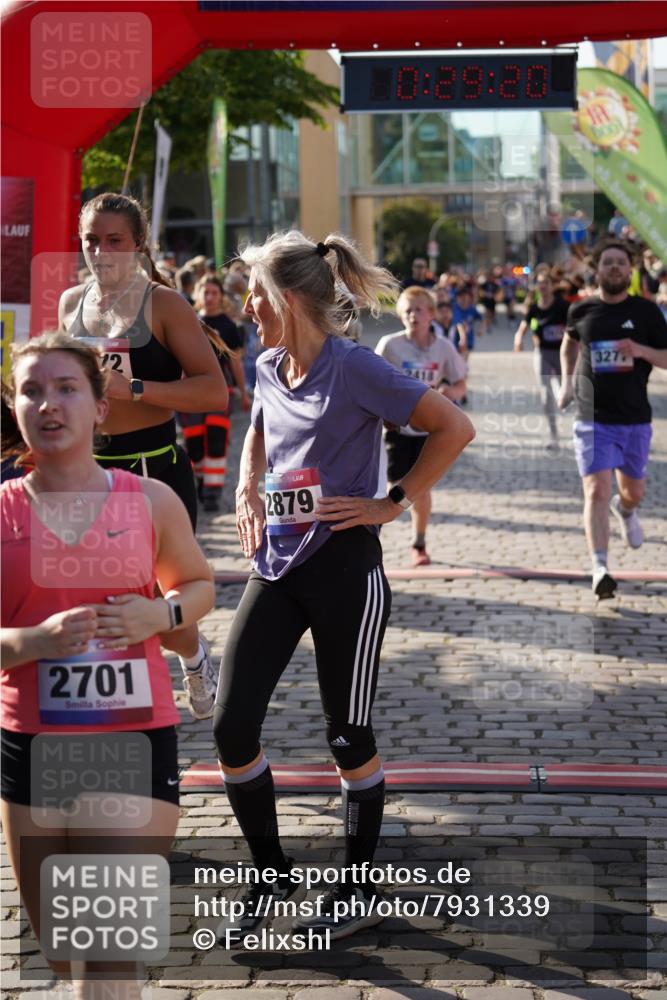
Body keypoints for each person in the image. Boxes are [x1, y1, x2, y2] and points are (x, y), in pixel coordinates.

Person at [213, 231, 474, 943]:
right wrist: (245, 486)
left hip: (345, 571)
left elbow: (452, 426)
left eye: (256, 296)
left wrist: (392, 502)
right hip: (277, 565)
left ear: (289, 300)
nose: (247, 308)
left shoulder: (355, 367)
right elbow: (259, 429)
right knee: (231, 727)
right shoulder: (269, 364)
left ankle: (357, 888)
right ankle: (271, 874)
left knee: (346, 736)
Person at [0, 333, 215, 999]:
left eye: (67, 388)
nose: (49, 404)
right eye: (32, 391)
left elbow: (198, 586)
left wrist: (161, 614)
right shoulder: (2, 511)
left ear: (100, 407)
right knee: (64, 951)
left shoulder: (150, 500)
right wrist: (32, 641)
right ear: (15, 407)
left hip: (129, 740)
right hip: (30, 743)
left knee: (105, 952)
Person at [58, 192, 227, 719]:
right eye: (91, 241)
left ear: (137, 245)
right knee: (96, 599)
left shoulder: (164, 304)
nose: (101, 252)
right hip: (90, 471)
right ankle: (117, 702)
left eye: (114, 241)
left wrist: (131, 388)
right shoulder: (70, 303)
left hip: (154, 469)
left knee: (164, 610)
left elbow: (213, 391)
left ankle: (195, 658)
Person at [558, 239, 667, 599]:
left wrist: (641, 350)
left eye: (621, 262)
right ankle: (600, 567)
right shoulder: (581, 310)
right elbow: (569, 343)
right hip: (591, 416)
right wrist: (567, 383)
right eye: (608, 262)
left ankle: (627, 510)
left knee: (633, 492)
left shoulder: (647, 312)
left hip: (635, 418)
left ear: (630, 269)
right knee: (596, 490)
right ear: (597, 269)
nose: (615, 267)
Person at [376, 286, 468, 566]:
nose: (413, 315)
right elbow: (371, 383)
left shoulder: (443, 347)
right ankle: (373, 539)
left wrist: (450, 393)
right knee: (395, 489)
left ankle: (419, 542)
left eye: (418, 310)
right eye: (407, 310)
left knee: (421, 489)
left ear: (431, 314)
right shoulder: (389, 345)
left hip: (430, 430)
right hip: (398, 428)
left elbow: (461, 383)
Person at [180, 276, 250, 512]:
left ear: (221, 296)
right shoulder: (187, 321)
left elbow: (235, 362)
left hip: (221, 391)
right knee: (194, 442)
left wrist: (244, 393)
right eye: (205, 292)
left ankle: (212, 492)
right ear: (198, 294)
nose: (209, 297)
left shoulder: (228, 326)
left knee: (217, 439)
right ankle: (200, 480)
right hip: (191, 392)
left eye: (214, 293)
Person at [513, 266, 569, 451]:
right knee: (545, 396)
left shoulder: (562, 306)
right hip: (542, 353)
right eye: (540, 283)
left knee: (564, 393)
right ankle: (553, 435)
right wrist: (518, 338)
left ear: (552, 286)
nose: (543, 286)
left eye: (546, 283)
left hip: (562, 354)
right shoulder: (534, 308)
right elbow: (524, 325)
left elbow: (575, 327)